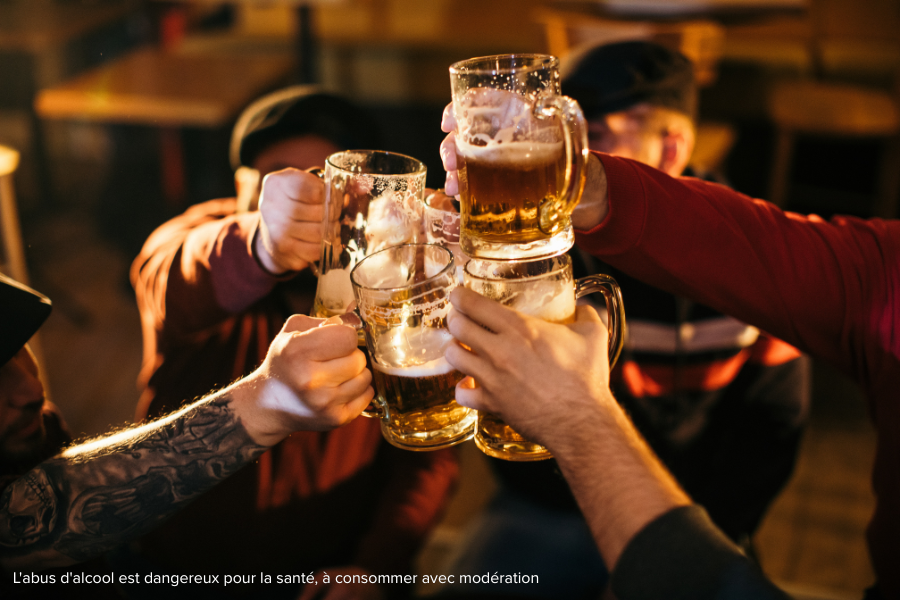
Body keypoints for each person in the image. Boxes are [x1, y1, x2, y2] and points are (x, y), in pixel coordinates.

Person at [440, 96, 898, 598]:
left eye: (601, 134)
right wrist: (572, 181)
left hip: (698, 519)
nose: (588, 147)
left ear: (673, 146)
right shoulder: (881, 267)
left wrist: (588, 439)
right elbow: (744, 244)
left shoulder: (769, 308)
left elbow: (769, 439)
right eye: (581, 138)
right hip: (556, 503)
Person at [129, 86, 458, 600]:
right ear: (245, 188)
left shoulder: (397, 284)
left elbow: (428, 457)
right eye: (289, 186)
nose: (315, 210)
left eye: (333, 190)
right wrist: (262, 242)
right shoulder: (196, 235)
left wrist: (376, 568)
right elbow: (173, 277)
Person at [0, 273, 373, 594]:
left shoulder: (30, 427)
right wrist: (268, 400)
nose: (31, 390)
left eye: (18, 351)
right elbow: (18, 523)